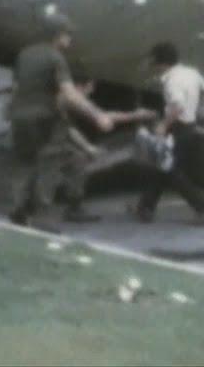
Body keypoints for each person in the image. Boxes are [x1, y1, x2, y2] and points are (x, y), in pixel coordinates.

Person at [7, 13, 120, 226]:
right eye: (67, 34)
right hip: (45, 117)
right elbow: (69, 93)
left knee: (25, 162)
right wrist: (97, 115)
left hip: (20, 115)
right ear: (57, 35)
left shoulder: (25, 54)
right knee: (50, 163)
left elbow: (16, 88)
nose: (70, 39)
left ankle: (18, 208)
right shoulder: (55, 58)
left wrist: (11, 111)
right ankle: (43, 216)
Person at [132, 42, 204, 225]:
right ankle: (145, 207)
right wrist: (194, 109)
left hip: (176, 127)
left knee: (169, 169)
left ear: (160, 63)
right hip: (190, 125)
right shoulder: (191, 72)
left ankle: (202, 204)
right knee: (161, 166)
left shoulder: (171, 81)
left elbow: (177, 106)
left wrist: (163, 124)